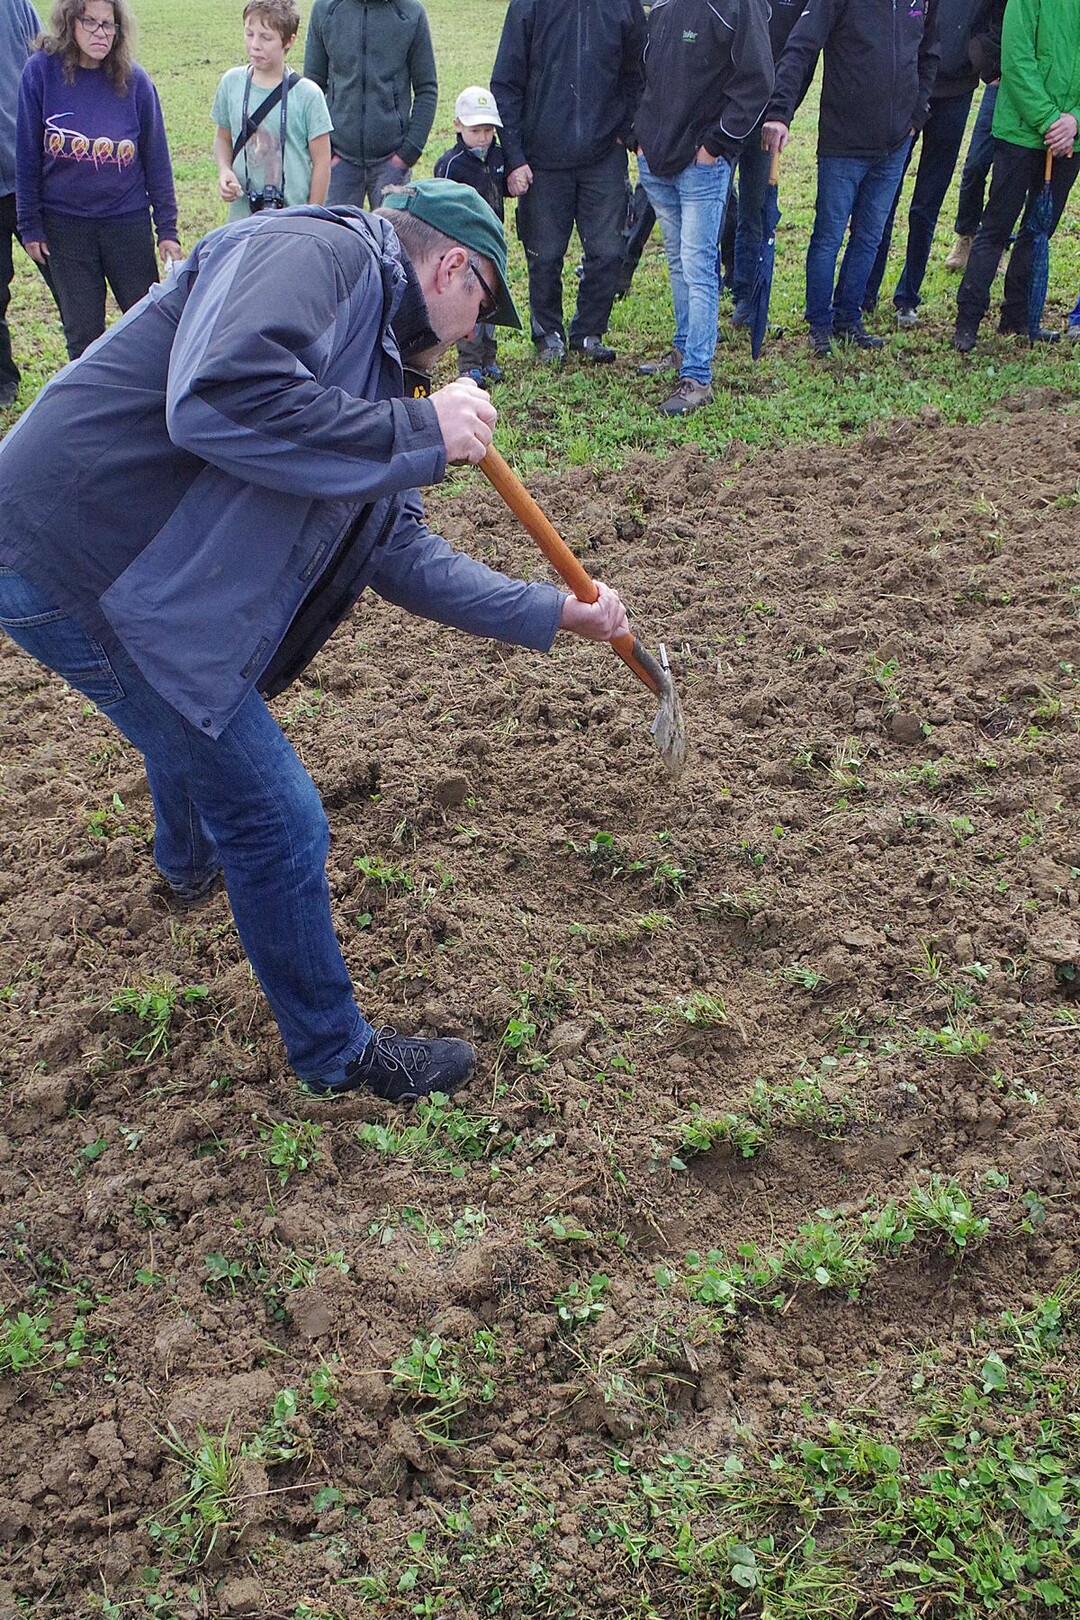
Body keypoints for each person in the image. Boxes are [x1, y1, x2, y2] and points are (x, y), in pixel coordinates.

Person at [0, 180, 629, 1103]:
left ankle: (186, 866)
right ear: (452, 266)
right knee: (273, 813)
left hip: (145, 574)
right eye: (479, 309)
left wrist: (550, 611)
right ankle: (336, 1056)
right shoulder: (315, 254)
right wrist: (419, 426)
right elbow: (214, 397)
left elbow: (398, 548)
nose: (467, 338)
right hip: (78, 551)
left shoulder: (387, 361)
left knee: (201, 701)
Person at [763, 0, 940, 358]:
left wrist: (917, 113)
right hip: (843, 142)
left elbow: (929, 52)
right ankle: (820, 325)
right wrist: (781, 111)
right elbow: (800, 47)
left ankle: (848, 317)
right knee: (828, 235)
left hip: (895, 144)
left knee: (870, 237)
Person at [15, 0, 179, 361]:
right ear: (69, 22)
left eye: (109, 25)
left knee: (147, 324)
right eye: (90, 22)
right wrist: (30, 225)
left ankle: (153, 403)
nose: (100, 33)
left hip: (126, 221)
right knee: (83, 333)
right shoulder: (40, 73)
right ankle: (91, 410)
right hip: (65, 225)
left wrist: (167, 229)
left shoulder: (135, 82)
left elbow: (157, 159)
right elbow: (26, 153)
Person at [633, 0, 773, 415]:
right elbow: (640, 73)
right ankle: (681, 349)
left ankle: (697, 375)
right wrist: (638, 136)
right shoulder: (661, 5)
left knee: (697, 264)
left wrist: (716, 145)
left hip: (701, 164)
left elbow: (757, 81)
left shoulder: (738, 6)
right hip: (656, 159)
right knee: (678, 261)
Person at [491, 0, 646, 367]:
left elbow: (637, 72)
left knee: (609, 251)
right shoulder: (528, 6)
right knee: (543, 255)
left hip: (604, 152)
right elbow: (506, 83)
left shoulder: (624, 6)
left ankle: (589, 332)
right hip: (542, 157)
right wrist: (515, 156)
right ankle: (548, 334)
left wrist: (628, 130)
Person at [840, 0, 986, 328]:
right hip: (908, 84)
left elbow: (999, 16)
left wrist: (979, 55)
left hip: (957, 91)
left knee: (927, 203)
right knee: (883, 197)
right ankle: (865, 292)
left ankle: (908, 298)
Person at [953, 0, 1080, 352]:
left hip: (1070, 137)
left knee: (1040, 228)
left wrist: (1074, 121)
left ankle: (1019, 317)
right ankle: (968, 319)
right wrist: (1049, 119)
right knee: (996, 225)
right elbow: (1017, 59)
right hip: (1022, 132)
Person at [303, 0, 436, 211]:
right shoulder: (325, 9)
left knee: (393, 241)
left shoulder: (411, 13)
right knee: (337, 240)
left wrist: (408, 153)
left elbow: (426, 88)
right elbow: (312, 87)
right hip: (338, 161)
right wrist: (327, 155)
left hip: (392, 162)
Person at [212, 0, 332, 220]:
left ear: (289, 41)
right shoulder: (231, 83)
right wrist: (224, 170)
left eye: (266, 37)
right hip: (241, 221)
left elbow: (322, 162)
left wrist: (312, 217)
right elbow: (223, 138)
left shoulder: (308, 95)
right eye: (249, 34)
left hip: (293, 220)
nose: (255, 45)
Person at [729, 0, 807, 331]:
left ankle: (748, 300)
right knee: (707, 209)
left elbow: (803, 56)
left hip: (766, 118)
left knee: (757, 211)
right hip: (723, 116)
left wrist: (782, 113)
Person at [434, 85, 507, 388]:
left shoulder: (499, 157)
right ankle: (468, 363)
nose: (483, 137)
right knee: (470, 305)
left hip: (493, 243)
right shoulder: (451, 164)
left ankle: (489, 358)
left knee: (493, 302)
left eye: (489, 130)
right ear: (458, 126)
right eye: (476, 130)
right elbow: (443, 205)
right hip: (465, 247)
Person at [1, 0, 44, 409]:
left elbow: (46, 62)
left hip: (30, 175)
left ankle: (88, 368)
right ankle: (3, 381)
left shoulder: (16, 7)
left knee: (69, 283)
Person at [945, 0, 1006, 269]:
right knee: (975, 165)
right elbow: (982, 19)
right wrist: (988, 66)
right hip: (1001, 84)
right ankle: (966, 236)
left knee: (1009, 173)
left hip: (1037, 87)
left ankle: (999, 244)